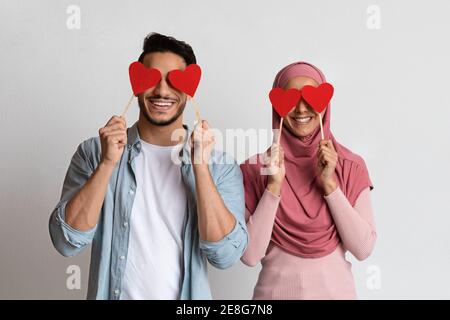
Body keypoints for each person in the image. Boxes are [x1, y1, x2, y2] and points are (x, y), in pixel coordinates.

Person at [49, 33, 248, 300]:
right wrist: (108, 163)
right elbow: (66, 242)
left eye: (174, 81)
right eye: (153, 79)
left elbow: (225, 256)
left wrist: (200, 167)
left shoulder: (220, 167)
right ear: (137, 85)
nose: (163, 91)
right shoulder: (93, 153)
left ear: (189, 92)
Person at [240, 61, 376, 299]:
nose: (301, 109)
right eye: (291, 99)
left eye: (310, 98)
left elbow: (363, 248)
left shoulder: (351, 166)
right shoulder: (255, 169)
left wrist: (331, 186)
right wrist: (273, 186)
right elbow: (250, 255)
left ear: (325, 106)